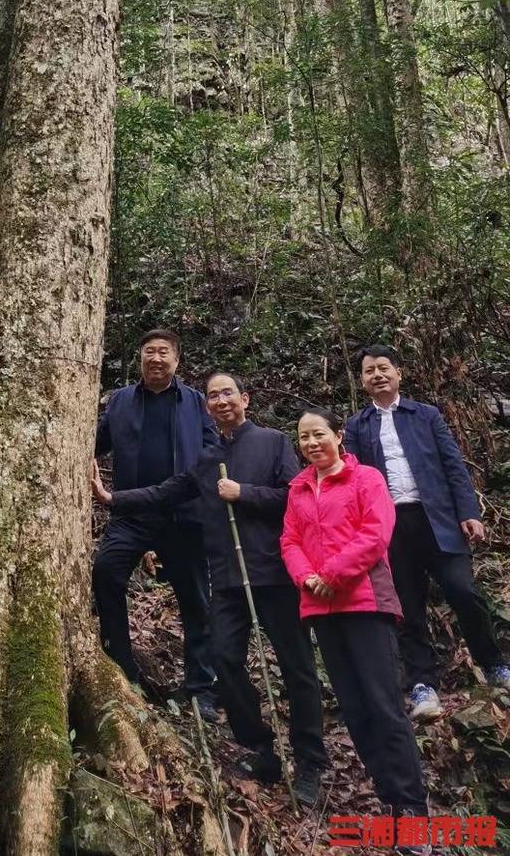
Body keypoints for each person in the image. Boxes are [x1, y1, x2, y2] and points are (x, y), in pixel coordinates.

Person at [92, 373, 327, 805]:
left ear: (245, 398)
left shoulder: (274, 442)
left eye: (227, 393)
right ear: (206, 406)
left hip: (273, 573)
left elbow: (294, 498)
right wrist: (112, 499)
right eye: (213, 395)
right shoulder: (206, 458)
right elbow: (168, 491)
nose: (220, 401)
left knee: (297, 667)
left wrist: (244, 493)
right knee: (224, 659)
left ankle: (310, 761)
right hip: (229, 577)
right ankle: (259, 746)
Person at [281, 407, 429, 836]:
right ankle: (390, 801)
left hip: (365, 604)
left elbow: (376, 532)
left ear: (338, 435)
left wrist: (332, 575)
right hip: (322, 609)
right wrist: (307, 576)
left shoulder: (367, 479)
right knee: (356, 710)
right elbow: (290, 539)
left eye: (319, 434)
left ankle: (412, 812)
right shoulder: (298, 489)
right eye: (304, 437)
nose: (311, 443)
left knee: (384, 707)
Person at [345, 344, 508, 719]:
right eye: (369, 371)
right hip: (390, 527)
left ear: (399, 373)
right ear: (363, 382)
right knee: (407, 607)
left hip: (437, 519)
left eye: (384, 368)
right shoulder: (357, 426)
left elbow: (453, 465)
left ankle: (493, 662)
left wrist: (468, 512)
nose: (377, 375)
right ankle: (423, 684)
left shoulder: (426, 415)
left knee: (463, 591)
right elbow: (353, 480)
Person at [92, 328, 218, 720]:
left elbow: (214, 450)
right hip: (132, 515)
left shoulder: (197, 404)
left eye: (165, 352)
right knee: (106, 571)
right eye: (150, 351)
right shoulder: (121, 402)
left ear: (177, 360)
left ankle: (201, 688)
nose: (157, 358)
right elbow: (92, 442)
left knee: (195, 599)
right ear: (140, 358)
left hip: (184, 516)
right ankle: (121, 668)